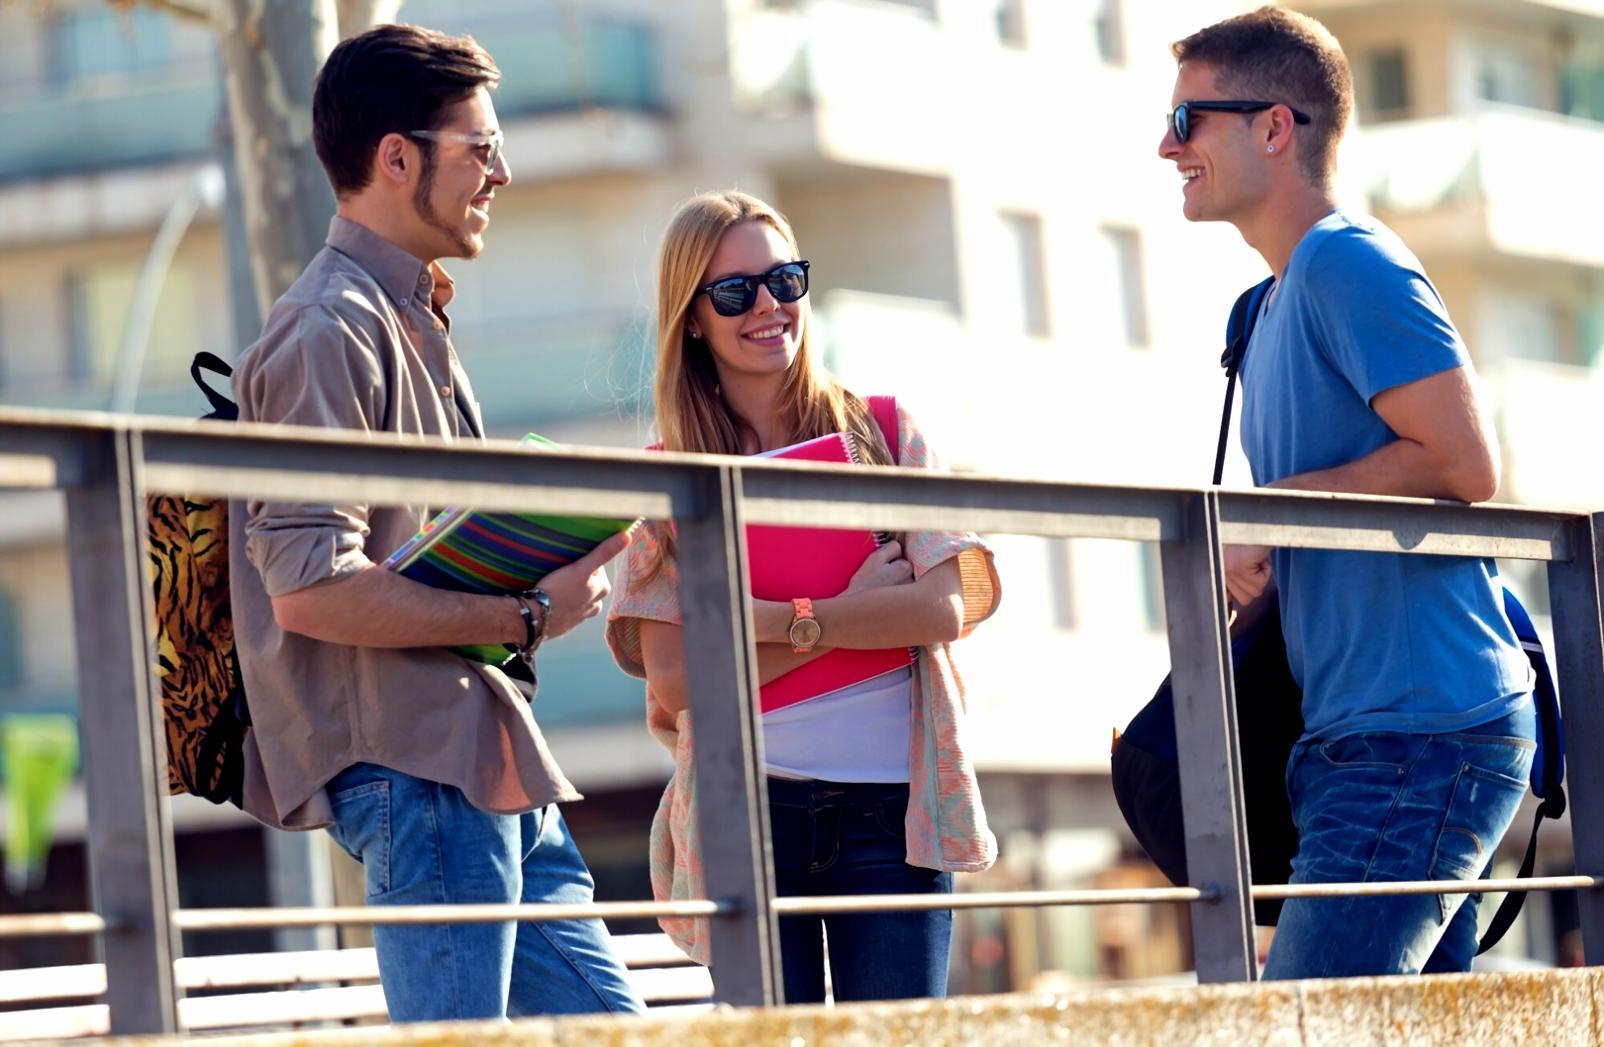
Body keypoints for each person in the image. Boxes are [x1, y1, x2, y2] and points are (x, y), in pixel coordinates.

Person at [228, 24, 644, 1020]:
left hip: (479, 758)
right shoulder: (331, 328)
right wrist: (525, 614)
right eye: (480, 148)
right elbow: (310, 590)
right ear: (397, 157)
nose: (501, 172)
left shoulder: (405, 314)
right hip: (421, 778)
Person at [1158, 8, 1536, 978]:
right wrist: (1269, 550)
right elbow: (1356, 504)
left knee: (1296, 1030)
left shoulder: (1346, 261)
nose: (1166, 146)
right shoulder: (1268, 304)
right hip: (1364, 739)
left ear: (1273, 128)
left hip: (1416, 739)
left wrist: (1269, 512)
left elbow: (1461, 463)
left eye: (1188, 120)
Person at [605, 190, 1001, 1003]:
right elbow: (679, 684)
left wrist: (753, 630)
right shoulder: (669, 478)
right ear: (692, 319)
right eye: (734, 291)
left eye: (784, 278)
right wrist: (843, 616)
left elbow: (940, 609)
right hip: (747, 816)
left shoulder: (884, 433)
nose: (768, 305)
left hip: (895, 816)